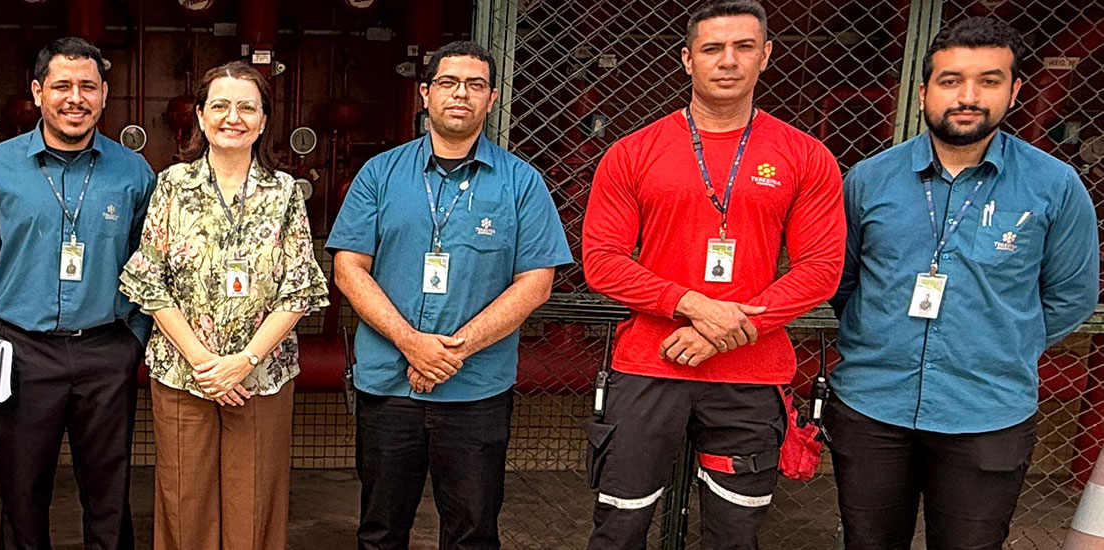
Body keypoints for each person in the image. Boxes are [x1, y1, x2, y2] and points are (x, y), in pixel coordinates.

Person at [578, 2, 845, 548]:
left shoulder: (804, 155)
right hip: (649, 366)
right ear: (686, 59)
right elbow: (602, 261)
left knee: (733, 533)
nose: (728, 61)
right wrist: (695, 306)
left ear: (766, 55)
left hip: (749, 377)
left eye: (744, 47)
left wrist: (722, 330)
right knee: (619, 526)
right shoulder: (632, 152)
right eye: (712, 48)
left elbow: (821, 268)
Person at [828, 16, 1099, 549]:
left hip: (988, 412)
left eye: (989, 80)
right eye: (951, 81)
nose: (968, 96)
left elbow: (1072, 294)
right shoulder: (868, 179)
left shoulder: (1054, 186)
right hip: (872, 407)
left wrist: (1003, 343)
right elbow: (843, 280)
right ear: (925, 90)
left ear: (1015, 90)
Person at [328, 40, 573, 550]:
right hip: (389, 386)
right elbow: (348, 268)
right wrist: (411, 343)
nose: (461, 94)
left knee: (472, 534)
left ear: (491, 99)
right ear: (424, 94)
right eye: (448, 82)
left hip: (476, 391)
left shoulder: (521, 183)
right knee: (379, 530)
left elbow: (536, 282)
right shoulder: (380, 174)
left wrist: (450, 350)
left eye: (475, 85)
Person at [118, 60, 328, 550]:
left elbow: (298, 287)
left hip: (262, 374)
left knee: (254, 503)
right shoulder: (172, 185)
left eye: (247, 107)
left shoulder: (284, 193)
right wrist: (205, 363)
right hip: (184, 373)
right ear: (200, 114)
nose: (233, 117)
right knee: (183, 500)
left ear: (263, 119)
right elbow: (149, 282)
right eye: (220, 105)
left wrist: (244, 362)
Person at [0, 37, 154, 550]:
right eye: (62, 85)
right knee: (22, 498)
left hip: (107, 351)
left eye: (87, 86)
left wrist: (133, 340)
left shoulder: (133, 172)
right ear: (38, 91)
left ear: (105, 95)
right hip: (23, 355)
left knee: (108, 495)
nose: (75, 98)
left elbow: (152, 268)